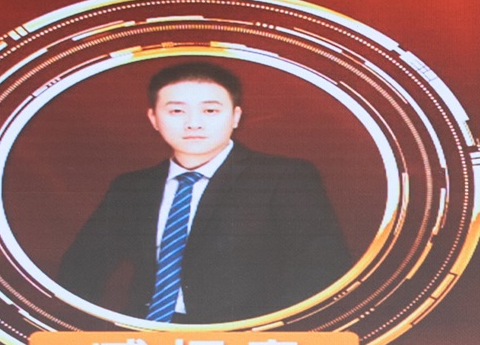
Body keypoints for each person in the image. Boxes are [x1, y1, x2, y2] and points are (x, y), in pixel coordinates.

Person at [54, 61, 354, 324]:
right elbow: (81, 266)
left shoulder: (282, 177)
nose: (193, 124)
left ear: (235, 116)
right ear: (154, 118)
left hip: (245, 341)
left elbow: (323, 267)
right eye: (176, 111)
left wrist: (272, 333)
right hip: (149, 337)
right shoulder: (132, 187)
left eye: (210, 110)